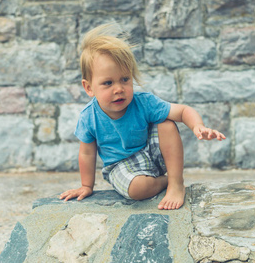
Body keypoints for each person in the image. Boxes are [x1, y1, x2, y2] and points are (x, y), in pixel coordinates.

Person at [59, 24, 226, 210]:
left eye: (125, 79)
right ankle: (164, 181)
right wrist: (86, 186)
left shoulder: (143, 102)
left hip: (151, 154)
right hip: (120, 166)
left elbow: (183, 111)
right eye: (108, 83)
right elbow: (86, 153)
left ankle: (176, 183)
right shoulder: (89, 117)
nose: (119, 89)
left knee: (166, 123)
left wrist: (198, 126)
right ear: (89, 87)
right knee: (138, 190)